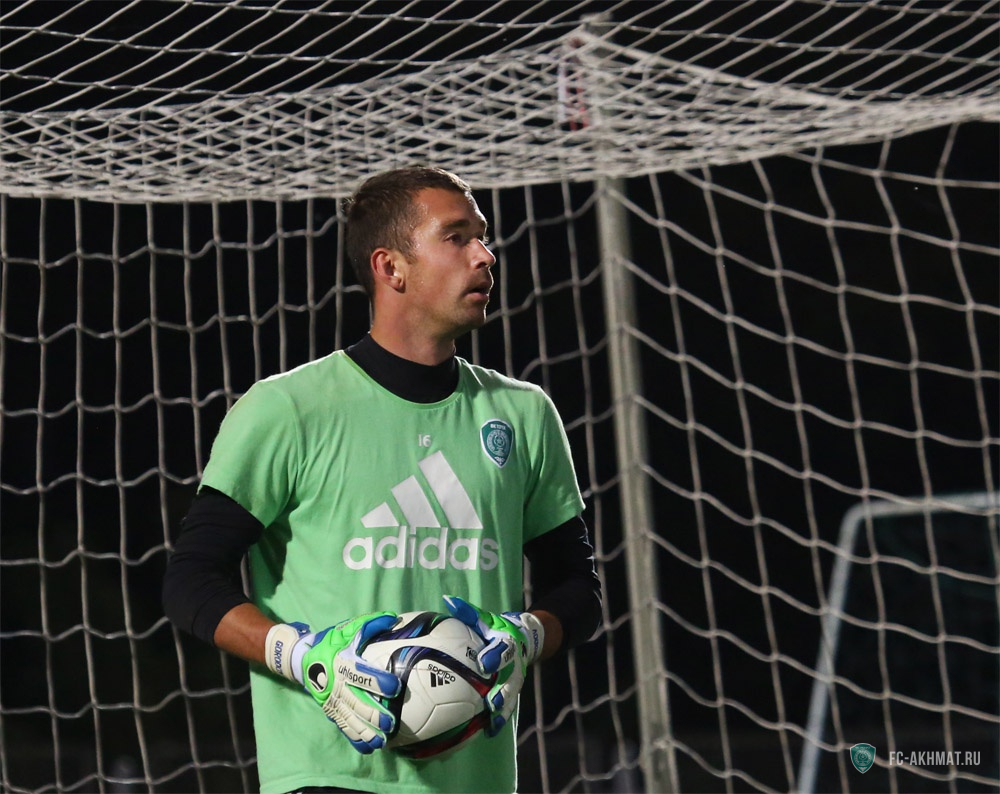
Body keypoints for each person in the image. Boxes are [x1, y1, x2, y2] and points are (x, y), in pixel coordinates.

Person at [162, 165, 603, 794]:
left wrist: (526, 636)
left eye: (482, 237)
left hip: (477, 782)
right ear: (390, 267)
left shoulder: (523, 414)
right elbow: (189, 581)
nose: (485, 255)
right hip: (328, 777)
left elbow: (577, 587)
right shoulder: (288, 409)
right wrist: (304, 655)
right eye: (457, 237)